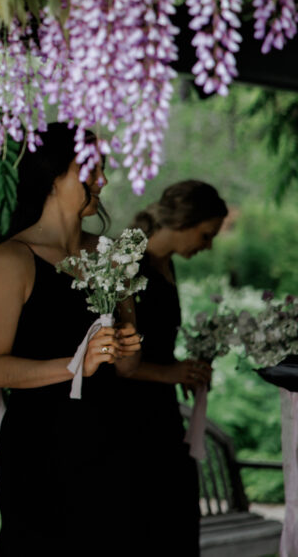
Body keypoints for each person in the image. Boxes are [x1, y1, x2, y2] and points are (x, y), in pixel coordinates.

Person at [0, 123, 142, 556]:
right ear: (52, 176)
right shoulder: (12, 258)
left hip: (110, 439)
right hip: (40, 446)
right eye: (89, 169)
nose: (101, 180)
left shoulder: (109, 253)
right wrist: (76, 363)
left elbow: (127, 369)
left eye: (102, 169)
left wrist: (126, 349)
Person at [119, 180, 226, 555]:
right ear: (185, 219)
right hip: (126, 418)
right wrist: (170, 373)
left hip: (161, 413)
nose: (207, 245)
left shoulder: (166, 265)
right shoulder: (127, 263)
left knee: (177, 521)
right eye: (206, 234)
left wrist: (185, 371)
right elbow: (115, 355)